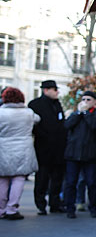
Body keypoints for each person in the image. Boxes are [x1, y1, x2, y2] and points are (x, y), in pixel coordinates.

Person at [62, 91, 96, 219]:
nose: (85, 102)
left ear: (94, 102)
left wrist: (86, 113)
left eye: (88, 99)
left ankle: (93, 207)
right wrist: (79, 113)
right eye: (83, 99)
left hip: (90, 155)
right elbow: (67, 125)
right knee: (71, 182)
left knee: (91, 182)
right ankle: (70, 208)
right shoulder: (76, 114)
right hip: (73, 155)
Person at [0, 87, 40, 220]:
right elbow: (38, 119)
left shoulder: (1, 112)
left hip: (3, 148)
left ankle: (1, 209)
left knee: (3, 179)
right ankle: (12, 209)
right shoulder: (28, 113)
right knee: (19, 179)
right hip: (23, 148)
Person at [28, 80, 66, 215]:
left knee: (57, 178)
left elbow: (61, 124)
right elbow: (34, 127)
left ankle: (54, 203)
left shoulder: (56, 104)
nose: (57, 92)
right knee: (42, 178)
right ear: (46, 90)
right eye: (54, 89)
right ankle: (41, 204)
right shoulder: (35, 105)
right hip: (43, 148)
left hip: (58, 148)